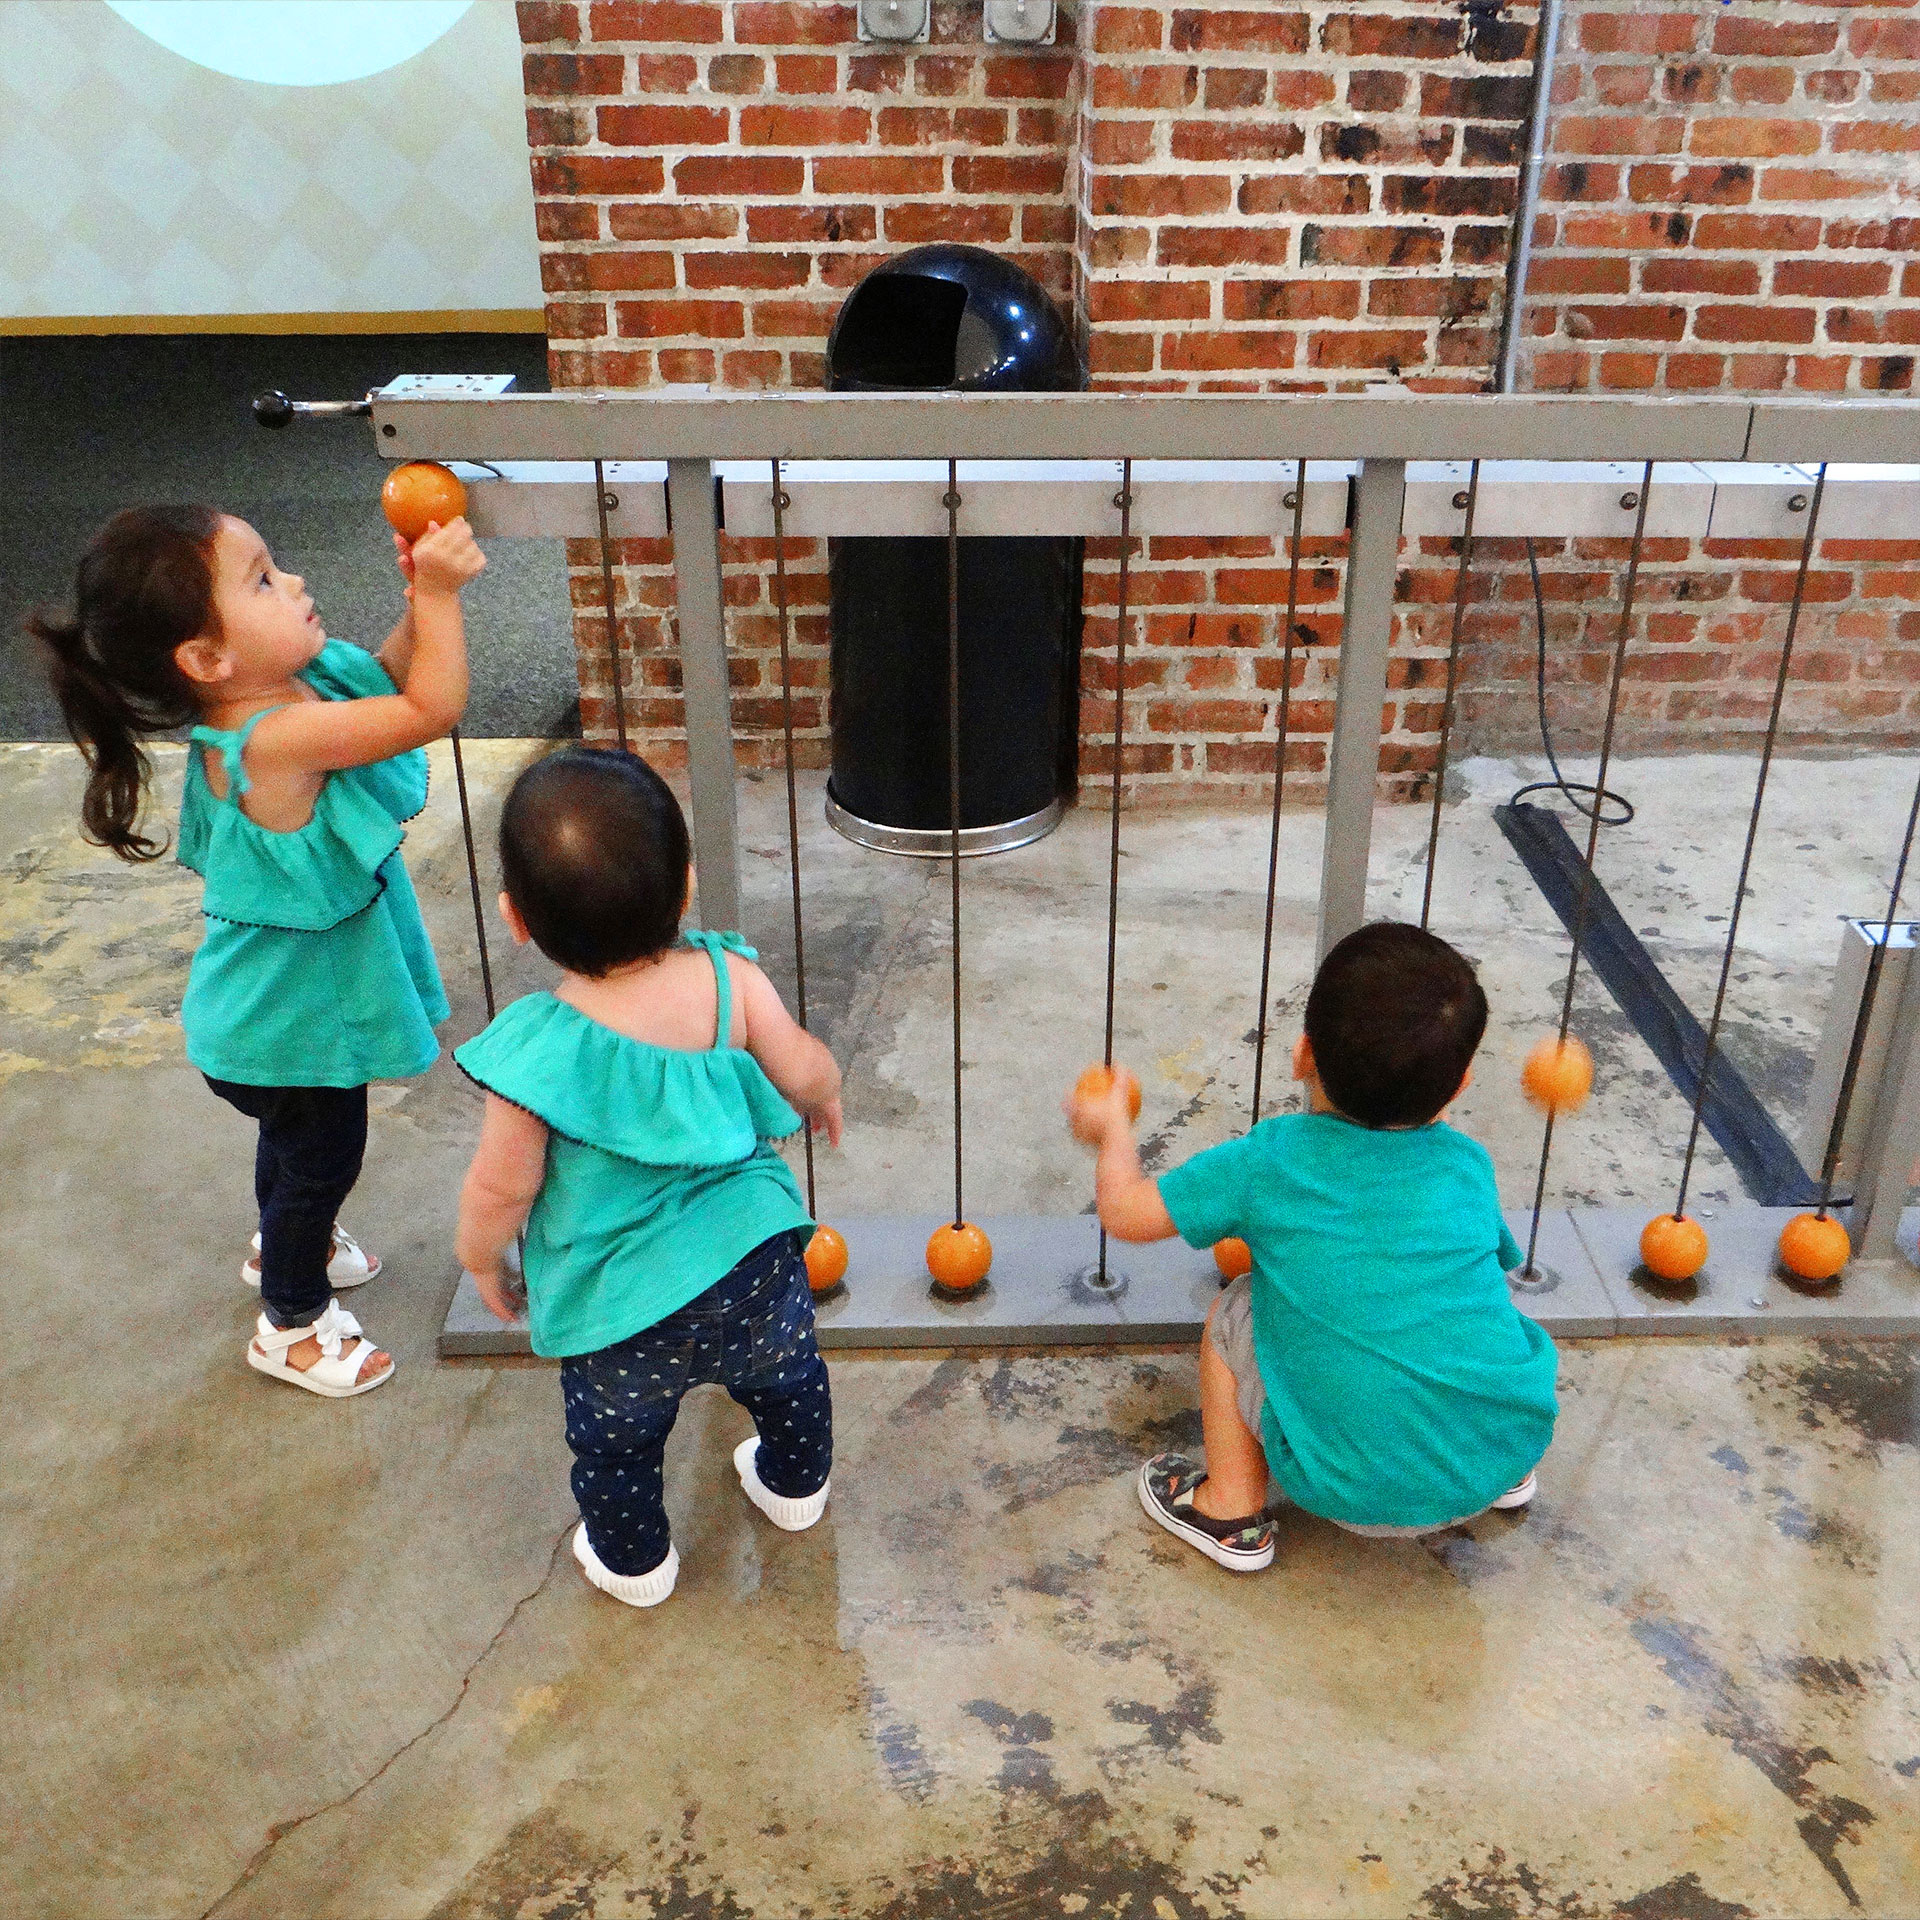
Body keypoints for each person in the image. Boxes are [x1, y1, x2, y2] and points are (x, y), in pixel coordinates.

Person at [34, 503, 484, 1399]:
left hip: (270, 1017)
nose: (299, 584)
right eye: (266, 581)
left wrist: (417, 599)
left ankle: (287, 1237)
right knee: (322, 1157)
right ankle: (291, 1320)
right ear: (207, 662)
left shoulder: (300, 693)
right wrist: (438, 591)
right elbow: (431, 706)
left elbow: (391, 682)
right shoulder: (273, 742)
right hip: (288, 1026)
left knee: (295, 1149)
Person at [453, 748, 843, 1610]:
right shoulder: (728, 980)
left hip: (621, 1310)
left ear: (517, 919)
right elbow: (802, 1068)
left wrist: (481, 1258)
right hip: (755, 1266)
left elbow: (502, 1188)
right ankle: (794, 1487)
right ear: (688, 884)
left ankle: (636, 1565)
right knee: (788, 1380)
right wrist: (825, 1095)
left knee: (619, 1445)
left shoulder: (538, 1051)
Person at [1066, 921, 1557, 1571]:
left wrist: (1113, 1130)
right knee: (1465, 1294)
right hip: (1499, 1454)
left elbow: (1125, 1215)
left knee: (1235, 1309)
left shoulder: (1270, 1161)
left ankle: (1230, 1507)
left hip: (1346, 1489)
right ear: (1462, 1083)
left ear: (1302, 1056)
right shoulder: (1469, 1164)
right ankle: (1494, 1465)